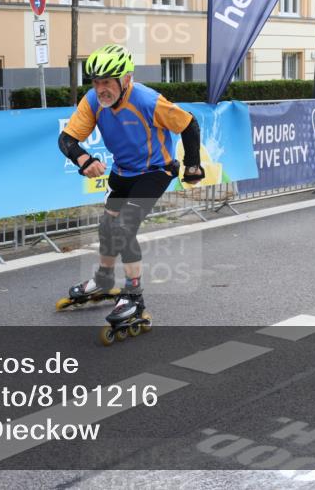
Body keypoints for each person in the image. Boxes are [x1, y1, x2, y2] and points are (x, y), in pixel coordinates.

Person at [57, 44, 204, 339]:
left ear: (126, 79)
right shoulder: (93, 102)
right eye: (96, 82)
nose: (101, 89)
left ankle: (135, 298)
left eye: (107, 82)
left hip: (155, 171)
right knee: (108, 226)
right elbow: (67, 139)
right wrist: (84, 159)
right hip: (123, 171)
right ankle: (103, 280)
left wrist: (192, 166)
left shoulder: (148, 101)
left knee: (124, 227)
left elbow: (189, 124)